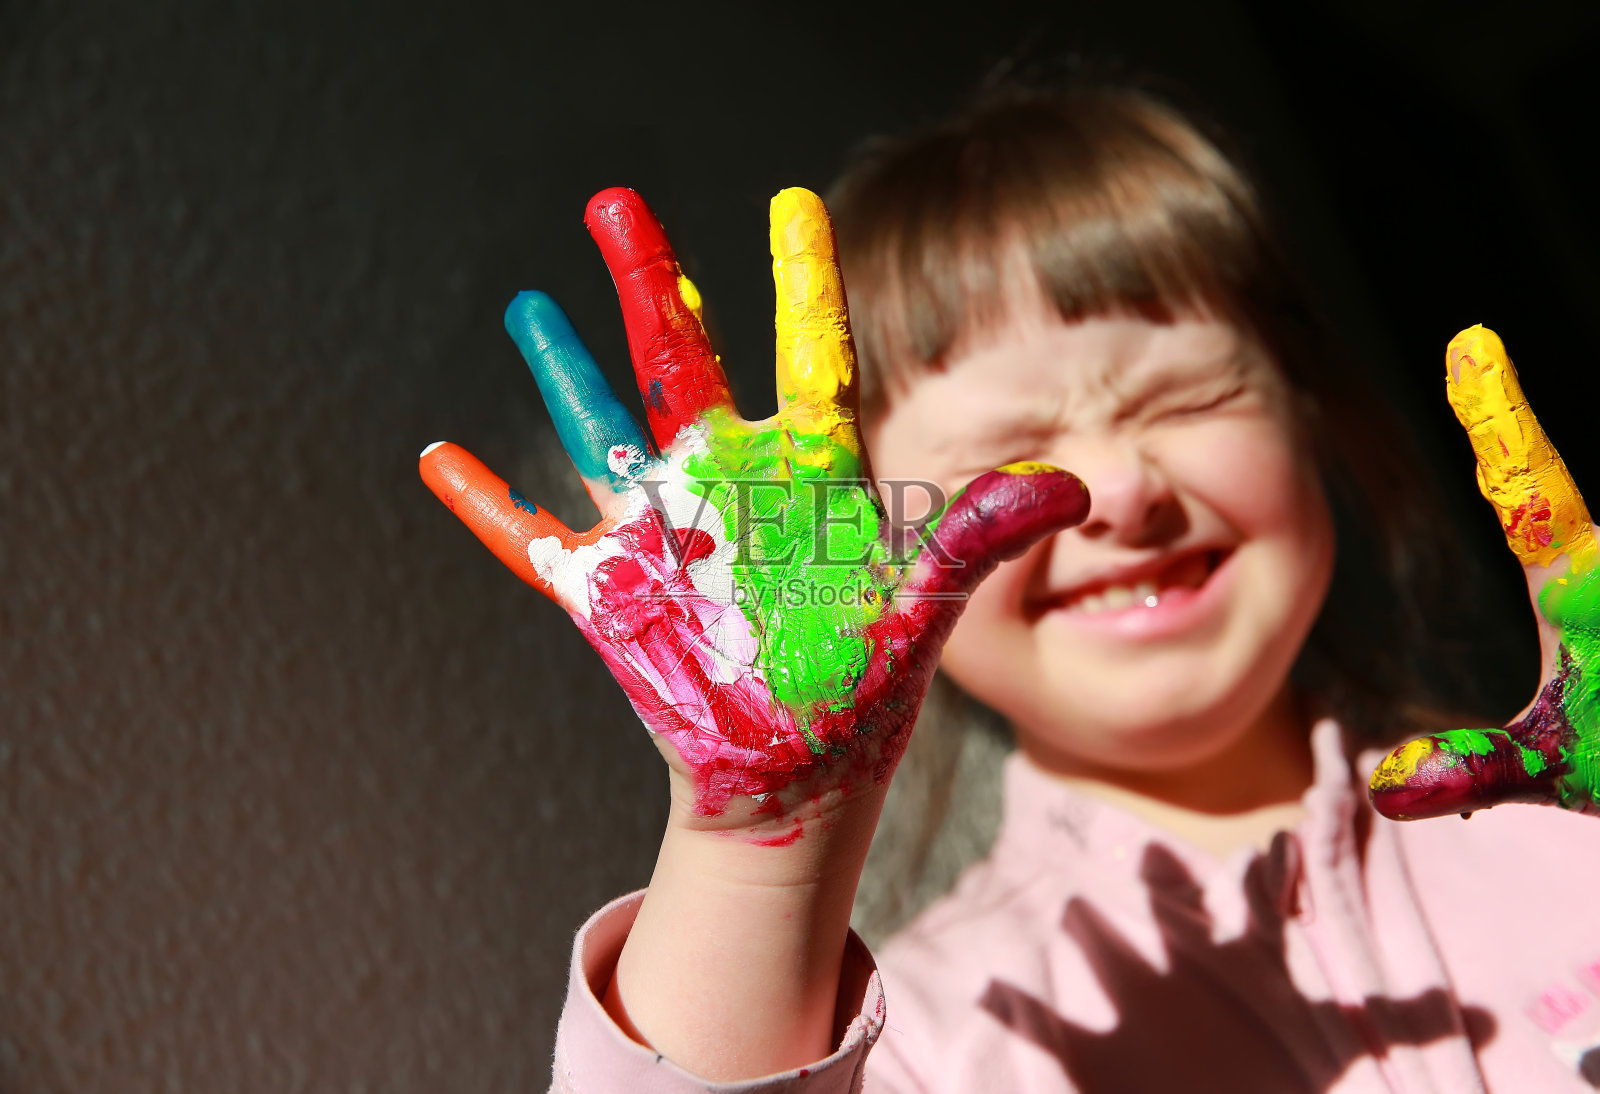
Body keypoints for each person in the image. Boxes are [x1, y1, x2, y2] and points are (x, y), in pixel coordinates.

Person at [420, 79, 1600, 1092]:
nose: (1122, 488)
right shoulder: (926, 1042)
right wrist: (758, 835)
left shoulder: (1568, 841)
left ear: (1315, 416)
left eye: (1181, 400)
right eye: (1005, 452)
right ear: (858, 539)